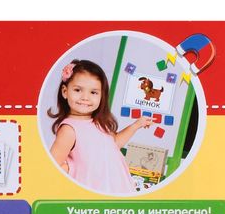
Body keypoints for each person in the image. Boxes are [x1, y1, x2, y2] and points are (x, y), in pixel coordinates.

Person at [49, 59, 151, 195]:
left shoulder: (99, 123)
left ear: (102, 96)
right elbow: (52, 167)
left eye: (93, 92)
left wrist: (137, 125)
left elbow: (115, 144)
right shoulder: (69, 129)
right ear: (65, 91)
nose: (85, 97)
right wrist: (71, 169)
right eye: (78, 90)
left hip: (118, 189)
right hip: (93, 194)